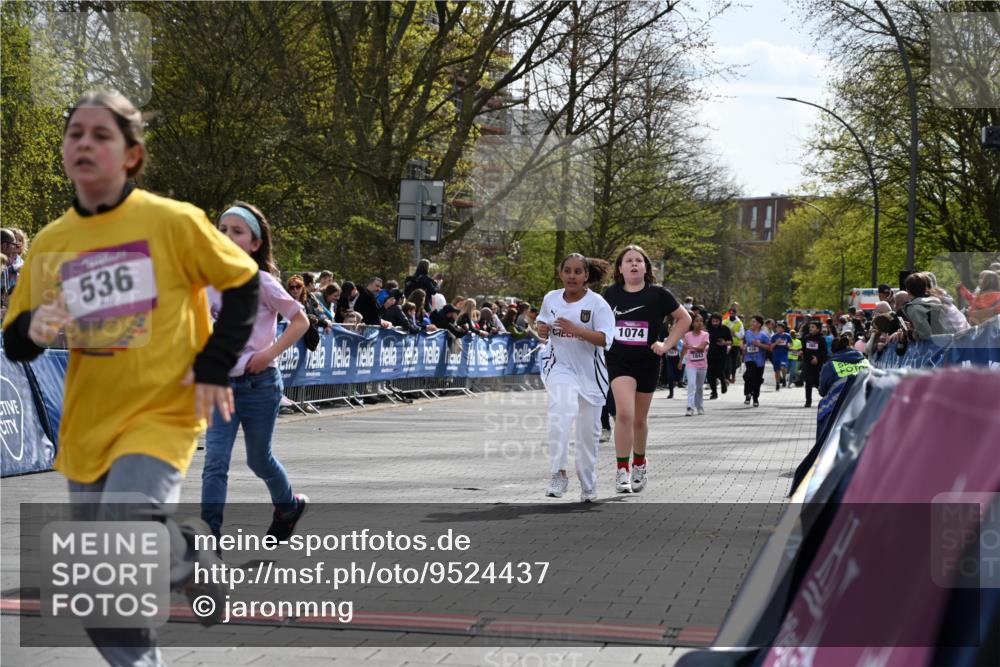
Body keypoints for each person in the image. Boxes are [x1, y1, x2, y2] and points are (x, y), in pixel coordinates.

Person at [2, 90, 261, 661]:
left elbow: (242, 284)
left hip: (162, 412)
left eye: (101, 135)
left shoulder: (171, 222)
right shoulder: (50, 243)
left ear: (131, 156)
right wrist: (37, 327)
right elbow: (16, 343)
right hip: (87, 429)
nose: (85, 144)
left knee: (126, 526)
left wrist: (213, 366)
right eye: (75, 135)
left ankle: (186, 553)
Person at [201, 203, 310, 541]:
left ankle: (289, 505)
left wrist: (268, 353)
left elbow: (300, 321)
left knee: (258, 460)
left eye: (237, 231)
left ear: (255, 243)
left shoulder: (262, 282)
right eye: (222, 230)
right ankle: (210, 538)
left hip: (260, 384)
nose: (227, 237)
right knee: (214, 464)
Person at [602, 245, 690, 493]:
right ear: (620, 268)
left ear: (646, 267)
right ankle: (622, 470)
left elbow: (684, 319)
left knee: (639, 420)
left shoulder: (659, 295)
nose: (633, 264)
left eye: (638, 261)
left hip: (648, 361)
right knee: (624, 414)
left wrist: (667, 344)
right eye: (628, 260)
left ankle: (639, 461)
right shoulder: (610, 295)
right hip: (619, 360)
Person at [536, 254, 616, 502]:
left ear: (586, 276)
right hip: (559, 366)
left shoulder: (598, 304)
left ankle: (588, 485)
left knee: (587, 436)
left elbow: (605, 340)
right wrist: (542, 329)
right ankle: (558, 473)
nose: (572, 276)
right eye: (567, 270)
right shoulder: (551, 298)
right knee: (561, 411)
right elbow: (542, 322)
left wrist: (578, 331)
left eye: (577, 272)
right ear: (561, 273)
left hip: (591, 376)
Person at [681, 314, 710, 416]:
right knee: (691, 385)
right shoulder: (687, 335)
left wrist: (691, 346)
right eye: (697, 321)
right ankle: (690, 407)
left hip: (702, 364)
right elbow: (684, 348)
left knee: (699, 387)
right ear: (692, 323)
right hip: (690, 364)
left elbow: (702, 348)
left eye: (701, 321)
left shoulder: (705, 335)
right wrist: (680, 361)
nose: (699, 323)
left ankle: (700, 406)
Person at [740, 315, 771, 407]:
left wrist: (759, 344)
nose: (751, 323)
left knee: (757, 380)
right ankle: (748, 393)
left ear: (759, 324)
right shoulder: (747, 333)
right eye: (751, 321)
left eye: (754, 322)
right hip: (749, 358)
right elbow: (742, 341)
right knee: (750, 374)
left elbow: (769, 347)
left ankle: (755, 398)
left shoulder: (763, 335)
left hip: (760, 360)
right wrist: (742, 347)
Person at [801, 320, 828, 408]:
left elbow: (824, 352)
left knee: (817, 383)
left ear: (818, 329)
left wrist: (818, 359)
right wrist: (802, 353)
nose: (810, 329)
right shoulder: (806, 338)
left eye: (813, 327)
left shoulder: (821, 339)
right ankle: (808, 401)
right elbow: (804, 350)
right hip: (807, 363)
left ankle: (826, 397)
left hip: (817, 364)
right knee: (808, 383)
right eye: (810, 327)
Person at [705, 312, 732, 399]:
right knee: (710, 375)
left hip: (721, 354)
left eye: (717, 321)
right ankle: (714, 392)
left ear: (720, 321)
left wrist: (724, 343)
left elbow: (731, 342)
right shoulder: (708, 329)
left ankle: (723, 381)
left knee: (719, 371)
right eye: (713, 321)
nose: (715, 323)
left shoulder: (725, 329)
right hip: (710, 354)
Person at [724, 304, 744, 383]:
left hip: (735, 345)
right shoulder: (725, 322)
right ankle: (727, 377)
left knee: (734, 361)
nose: (732, 314)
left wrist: (734, 333)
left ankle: (733, 376)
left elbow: (741, 335)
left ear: (736, 314)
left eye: (733, 313)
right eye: (730, 313)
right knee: (727, 361)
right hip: (726, 344)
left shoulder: (739, 323)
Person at [770, 321, 792, 390]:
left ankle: (784, 378)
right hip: (776, 355)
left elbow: (791, 344)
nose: (777, 329)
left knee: (783, 367)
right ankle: (777, 383)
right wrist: (776, 343)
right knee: (777, 371)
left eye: (779, 328)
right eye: (777, 328)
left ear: (783, 329)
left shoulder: (787, 336)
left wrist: (789, 345)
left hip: (784, 355)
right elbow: (771, 347)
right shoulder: (774, 336)